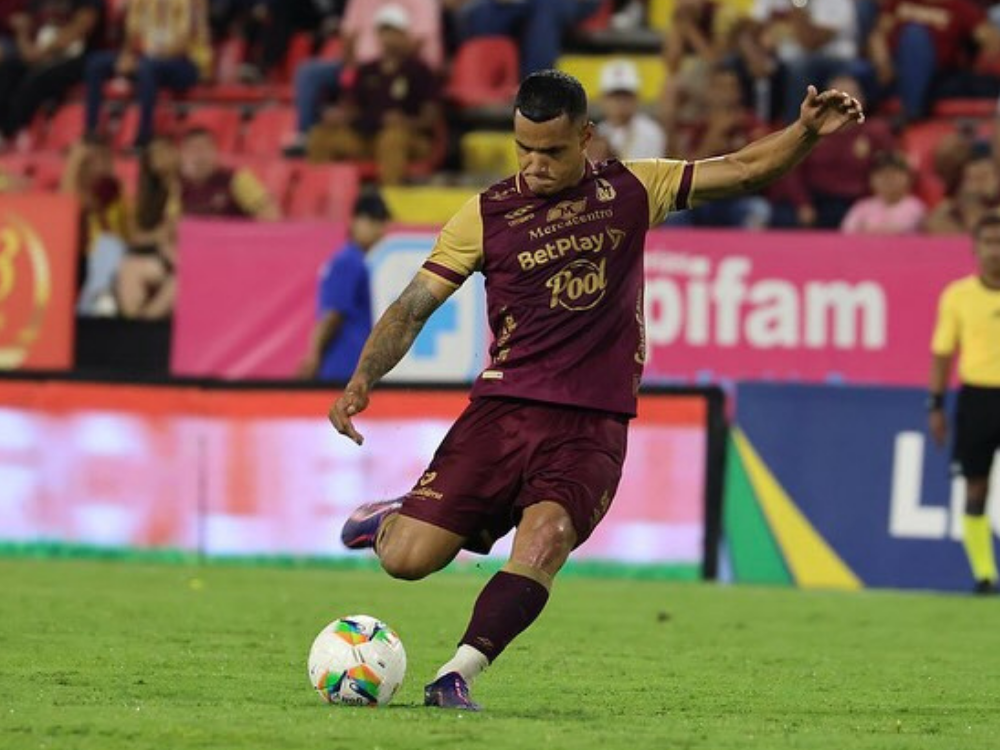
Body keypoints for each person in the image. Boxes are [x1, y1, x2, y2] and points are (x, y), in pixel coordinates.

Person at [328, 70, 863, 710]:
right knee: (409, 562)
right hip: (503, 413)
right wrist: (362, 378)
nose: (535, 165)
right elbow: (415, 305)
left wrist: (803, 132)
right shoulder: (487, 213)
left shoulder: (635, 187)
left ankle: (456, 674)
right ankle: (391, 519)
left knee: (547, 538)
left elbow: (745, 170)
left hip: (593, 422)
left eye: (551, 151)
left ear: (586, 137)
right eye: (523, 148)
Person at [928, 214, 1000, 594]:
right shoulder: (958, 296)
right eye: (988, 242)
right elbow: (942, 354)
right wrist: (935, 405)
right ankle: (984, 575)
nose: (995, 251)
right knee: (976, 487)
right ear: (976, 249)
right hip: (978, 399)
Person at [304, 3, 441, 184]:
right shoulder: (367, 70)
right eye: (384, 31)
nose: (388, 37)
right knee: (321, 135)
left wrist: (406, 122)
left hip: (408, 137)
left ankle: (388, 200)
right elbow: (352, 105)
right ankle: (317, 193)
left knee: (392, 138)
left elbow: (431, 117)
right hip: (367, 136)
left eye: (394, 31)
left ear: (404, 33)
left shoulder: (420, 71)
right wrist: (340, 116)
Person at [84, 0, 211, 148]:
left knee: (147, 68)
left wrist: (142, 57)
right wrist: (127, 56)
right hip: (147, 60)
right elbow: (132, 34)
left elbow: (182, 41)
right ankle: (91, 134)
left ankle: (144, 139)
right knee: (96, 64)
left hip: (186, 63)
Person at [299, 191, 389, 381]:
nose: (379, 231)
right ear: (356, 221)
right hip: (343, 366)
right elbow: (333, 316)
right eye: (373, 223)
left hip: (345, 366)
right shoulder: (349, 262)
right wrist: (313, 354)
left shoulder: (351, 260)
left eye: (381, 224)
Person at [0, 0, 102, 143]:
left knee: (38, 79)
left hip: (77, 56)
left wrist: (45, 51)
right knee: (8, 69)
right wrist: (26, 44)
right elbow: (25, 28)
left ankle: (9, 131)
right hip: (40, 53)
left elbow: (81, 27)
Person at [117, 135, 181, 319]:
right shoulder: (145, 198)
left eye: (164, 152)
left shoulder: (187, 188)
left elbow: (172, 229)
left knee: (179, 281)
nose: (161, 159)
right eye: (155, 156)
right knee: (128, 269)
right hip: (156, 255)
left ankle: (145, 324)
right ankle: (135, 325)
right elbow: (135, 235)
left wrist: (161, 236)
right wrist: (157, 237)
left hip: (180, 255)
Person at [178, 127, 280, 219]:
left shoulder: (237, 179)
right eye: (193, 149)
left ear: (215, 151)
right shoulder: (172, 183)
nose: (200, 155)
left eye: (205, 148)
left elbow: (270, 215)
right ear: (181, 153)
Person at [840, 150, 926, 234]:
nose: (887, 178)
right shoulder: (861, 207)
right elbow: (847, 232)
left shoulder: (915, 207)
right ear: (871, 180)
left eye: (894, 173)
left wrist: (867, 231)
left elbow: (899, 231)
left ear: (909, 178)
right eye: (881, 174)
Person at [595, 58, 666, 160]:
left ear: (636, 98)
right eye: (615, 96)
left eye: (626, 95)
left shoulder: (651, 133)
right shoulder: (599, 133)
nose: (620, 102)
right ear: (603, 99)